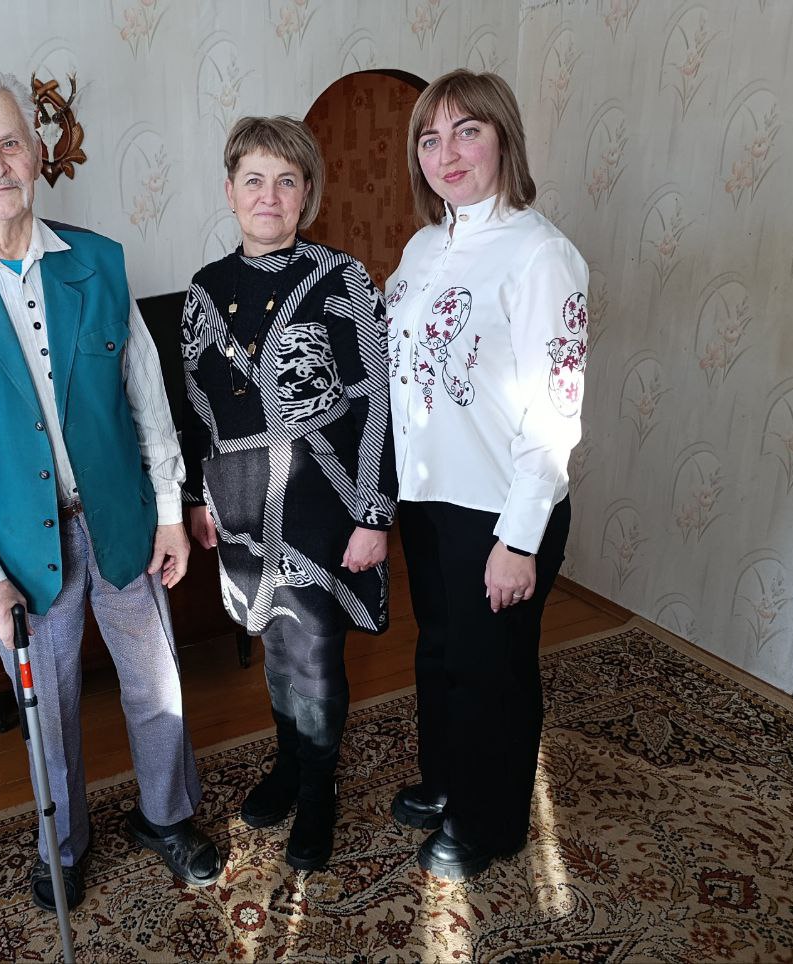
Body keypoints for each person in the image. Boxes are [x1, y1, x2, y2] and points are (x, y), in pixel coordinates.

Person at [0, 65, 222, 911]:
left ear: (35, 152)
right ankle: (61, 843)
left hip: (121, 520)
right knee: (48, 712)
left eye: (9, 142)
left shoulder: (97, 262)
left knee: (157, 686)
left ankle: (167, 816)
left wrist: (169, 510)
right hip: (15, 548)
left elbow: (147, 397)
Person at [385, 68, 588, 881]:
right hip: (429, 496)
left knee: (492, 668)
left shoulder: (541, 254)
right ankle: (446, 782)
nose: (447, 153)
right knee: (440, 652)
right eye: (430, 139)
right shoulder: (423, 246)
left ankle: (491, 820)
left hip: (500, 508)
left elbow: (556, 408)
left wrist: (519, 538)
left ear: (504, 139)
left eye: (467, 131)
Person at [181, 116, 396, 870]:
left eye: (286, 181)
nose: (268, 196)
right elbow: (195, 407)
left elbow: (376, 398)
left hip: (320, 503)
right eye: (254, 180)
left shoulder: (343, 279)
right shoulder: (204, 290)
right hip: (240, 503)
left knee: (316, 653)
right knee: (274, 644)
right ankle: (288, 763)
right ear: (230, 191)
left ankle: (319, 789)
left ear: (307, 193)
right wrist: (197, 499)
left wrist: (374, 514)